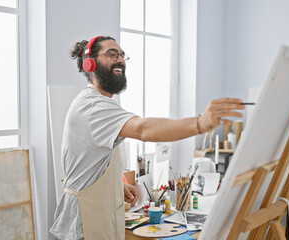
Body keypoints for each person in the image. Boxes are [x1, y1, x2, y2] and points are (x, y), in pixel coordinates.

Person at [49, 36, 245, 240]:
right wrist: (200, 124)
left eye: (123, 55)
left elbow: (87, 161)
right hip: (83, 226)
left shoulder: (97, 103)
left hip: (92, 217)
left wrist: (116, 186)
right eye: (112, 54)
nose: (120, 60)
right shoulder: (93, 106)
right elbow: (143, 129)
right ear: (89, 64)